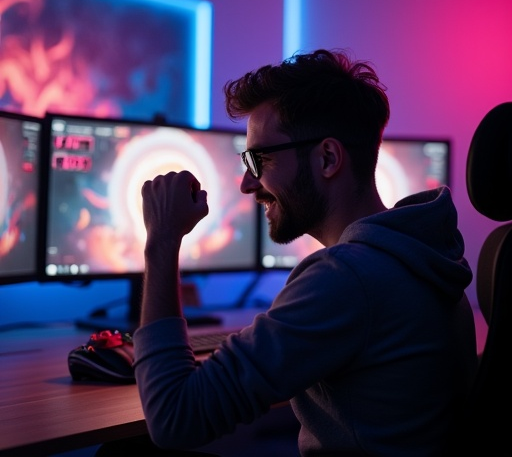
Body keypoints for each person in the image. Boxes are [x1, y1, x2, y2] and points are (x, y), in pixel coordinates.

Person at [133, 49, 478, 456]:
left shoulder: (347, 278)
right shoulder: (422, 253)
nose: (247, 184)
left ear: (327, 158)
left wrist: (161, 240)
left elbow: (175, 417)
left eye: (259, 160)